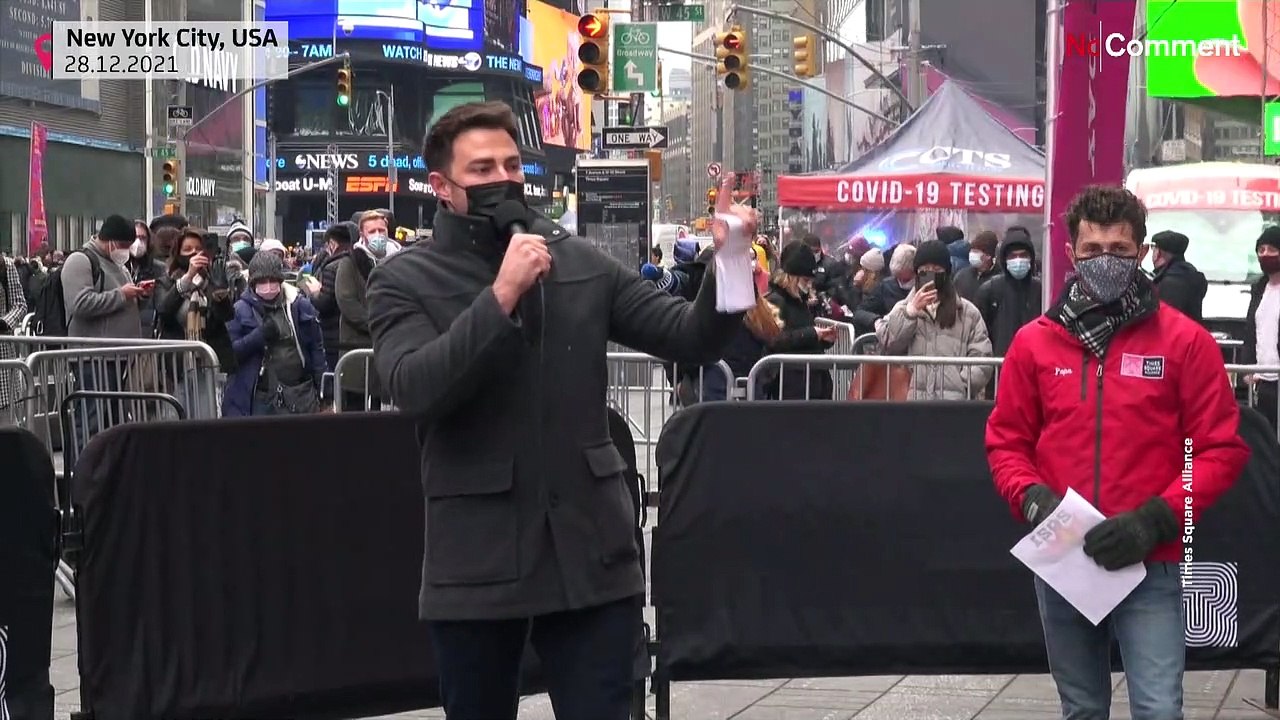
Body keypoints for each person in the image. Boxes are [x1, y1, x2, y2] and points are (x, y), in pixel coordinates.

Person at [365, 101, 750, 720]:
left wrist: (729, 259)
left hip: (590, 549)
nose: (504, 180)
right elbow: (415, 386)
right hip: (478, 554)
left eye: (512, 164)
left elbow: (687, 336)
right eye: (482, 168)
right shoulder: (405, 280)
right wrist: (502, 295)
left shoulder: (579, 261)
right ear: (442, 187)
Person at [986, 185, 1250, 720]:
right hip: (1065, 557)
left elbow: (1220, 449)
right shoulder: (1035, 344)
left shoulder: (1185, 343)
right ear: (1070, 254)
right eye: (1092, 251)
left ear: (1142, 251)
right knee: (1081, 709)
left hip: (1150, 561)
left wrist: (1156, 519)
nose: (1105, 261)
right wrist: (1032, 499)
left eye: (1120, 251)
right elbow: (1007, 440)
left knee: (1158, 709)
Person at [876, 239, 992, 399]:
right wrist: (909, 314)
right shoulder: (902, 308)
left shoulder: (967, 312)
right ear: (916, 273)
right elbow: (889, 345)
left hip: (953, 406)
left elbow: (982, 357)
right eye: (924, 270)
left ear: (947, 272)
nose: (930, 274)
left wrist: (962, 385)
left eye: (936, 269)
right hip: (911, 404)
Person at [222, 252, 326, 417]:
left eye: (273, 280)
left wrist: (324, 391)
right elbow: (228, 356)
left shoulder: (299, 305)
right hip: (257, 396)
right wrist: (258, 336)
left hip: (299, 394)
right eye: (262, 281)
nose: (268, 286)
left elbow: (316, 348)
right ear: (253, 283)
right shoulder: (239, 310)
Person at [761, 241, 838, 400]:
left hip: (810, 381)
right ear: (792, 277)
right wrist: (812, 334)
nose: (809, 284)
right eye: (805, 279)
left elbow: (800, 335)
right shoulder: (776, 301)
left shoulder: (799, 300)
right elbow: (775, 339)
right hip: (791, 384)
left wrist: (823, 339)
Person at [337, 215, 399, 410]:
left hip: (392, 353)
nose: (378, 235)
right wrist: (381, 326)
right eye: (372, 231)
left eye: (382, 230)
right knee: (356, 418)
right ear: (362, 234)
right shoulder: (350, 262)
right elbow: (348, 303)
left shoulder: (401, 260)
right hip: (358, 353)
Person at [975, 226, 1042, 358]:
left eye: (1023, 255)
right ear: (1005, 260)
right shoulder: (989, 290)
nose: (1018, 260)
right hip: (1000, 367)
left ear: (1031, 258)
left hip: (1034, 364)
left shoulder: (1041, 290)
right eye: (1013, 256)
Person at [1244, 226, 1280, 430]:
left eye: (1272, 249)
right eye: (1261, 249)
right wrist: (1248, 367)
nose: (1265, 254)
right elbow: (1251, 331)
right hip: (1262, 381)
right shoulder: (1259, 288)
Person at [853, 243, 915, 335]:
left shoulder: (923, 287)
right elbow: (859, 312)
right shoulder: (886, 286)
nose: (900, 280)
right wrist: (876, 320)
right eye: (897, 276)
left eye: (904, 278)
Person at [1149, 229, 1207, 324]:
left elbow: (1165, 322)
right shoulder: (1191, 275)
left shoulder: (1168, 283)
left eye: (1153, 248)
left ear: (1158, 253)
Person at [0, 252, 28, 425]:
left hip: (2, 353)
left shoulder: (6, 266)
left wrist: (4, 323)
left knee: (6, 424)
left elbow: (20, 304)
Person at [953, 229, 1001, 302]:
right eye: (971, 250)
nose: (972, 254)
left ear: (988, 255)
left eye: (976, 251)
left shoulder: (999, 278)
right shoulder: (961, 276)